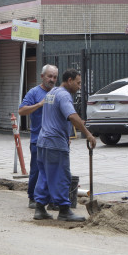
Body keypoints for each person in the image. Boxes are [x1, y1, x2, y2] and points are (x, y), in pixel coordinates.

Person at [33, 68, 97, 222]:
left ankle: (40, 208)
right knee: (62, 176)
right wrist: (88, 134)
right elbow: (72, 116)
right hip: (55, 143)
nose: (79, 86)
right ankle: (64, 210)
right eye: (78, 83)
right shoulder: (63, 95)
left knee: (44, 176)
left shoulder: (51, 93)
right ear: (69, 81)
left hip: (43, 142)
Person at [19, 64, 59, 208]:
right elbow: (22, 111)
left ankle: (51, 199)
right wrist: (39, 104)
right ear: (42, 76)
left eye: (54, 77)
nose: (52, 79)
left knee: (53, 170)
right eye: (49, 76)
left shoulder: (58, 93)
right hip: (37, 139)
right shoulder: (34, 93)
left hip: (54, 140)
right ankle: (33, 198)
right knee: (37, 169)